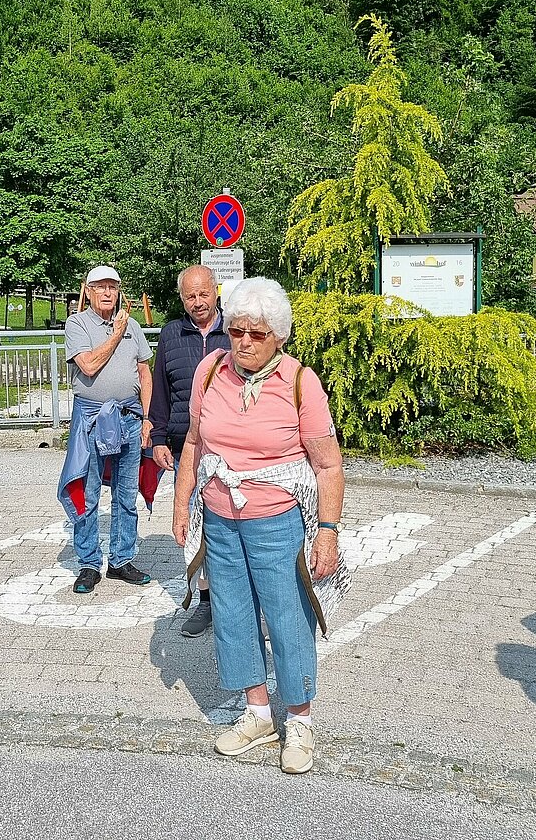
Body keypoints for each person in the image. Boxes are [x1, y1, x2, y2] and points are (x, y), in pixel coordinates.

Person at [172, 277, 350, 775]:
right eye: (237, 331)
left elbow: (328, 465)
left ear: (279, 336)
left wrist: (328, 531)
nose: (244, 342)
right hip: (220, 520)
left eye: (256, 334)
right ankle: (257, 714)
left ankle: (300, 720)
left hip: (278, 522)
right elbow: (193, 442)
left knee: (288, 618)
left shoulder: (300, 382)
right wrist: (182, 505)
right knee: (232, 614)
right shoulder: (210, 370)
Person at [58, 265, 154, 594]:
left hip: (129, 416)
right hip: (91, 417)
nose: (107, 292)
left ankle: (121, 559)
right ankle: (88, 563)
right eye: (100, 287)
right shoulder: (77, 324)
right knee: (88, 493)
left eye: (112, 286)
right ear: (88, 291)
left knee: (126, 495)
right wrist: (116, 332)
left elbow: (144, 372)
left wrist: (147, 417)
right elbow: (88, 365)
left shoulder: (133, 326)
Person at [149, 264, 230, 636]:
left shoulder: (235, 331)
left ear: (215, 292)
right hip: (187, 450)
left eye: (203, 294)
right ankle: (206, 601)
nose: (198, 302)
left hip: (230, 449)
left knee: (231, 525)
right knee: (196, 526)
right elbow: (161, 392)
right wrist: (158, 438)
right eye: (190, 296)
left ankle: (241, 600)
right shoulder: (171, 334)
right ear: (182, 299)